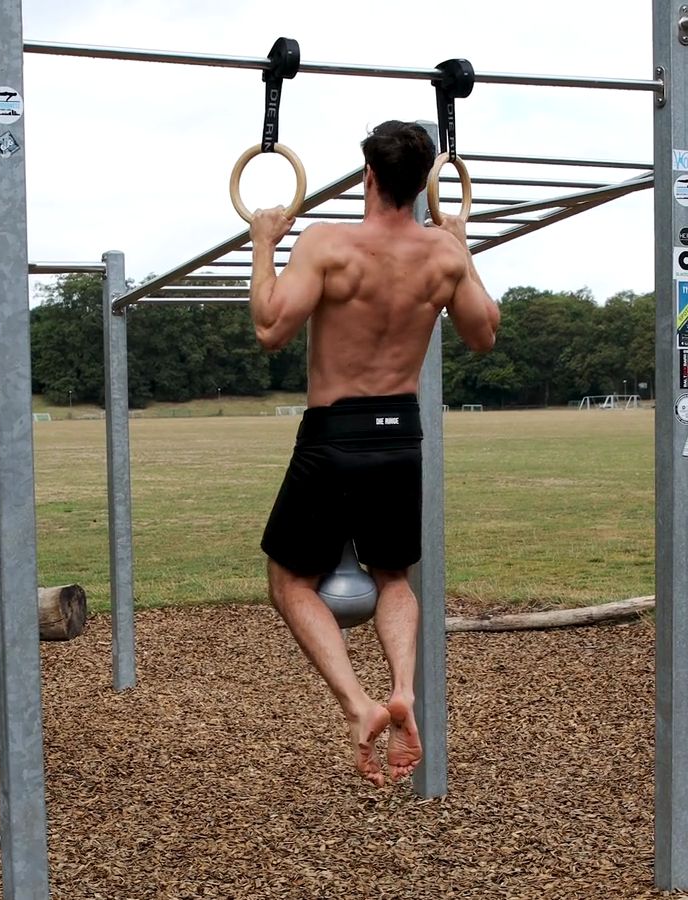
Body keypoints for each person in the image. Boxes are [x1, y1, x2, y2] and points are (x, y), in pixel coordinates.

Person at [249, 120, 499, 788]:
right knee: (394, 578)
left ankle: (358, 704)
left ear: (367, 177)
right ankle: (404, 690)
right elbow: (484, 335)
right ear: (425, 187)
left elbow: (271, 327)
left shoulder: (327, 244)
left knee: (290, 582)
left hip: (335, 433)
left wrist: (263, 244)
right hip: (400, 436)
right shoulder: (442, 257)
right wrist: (462, 248)